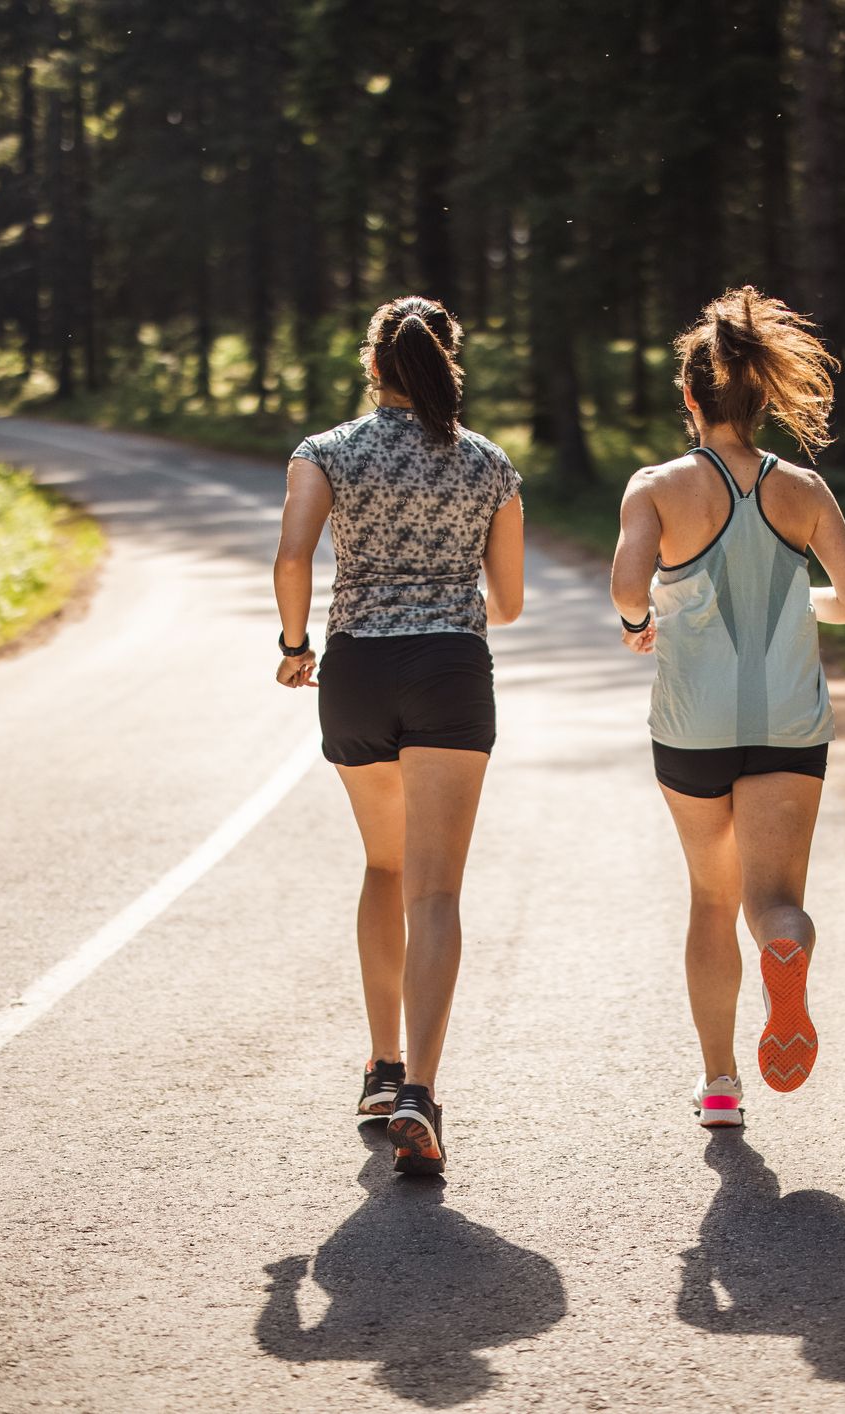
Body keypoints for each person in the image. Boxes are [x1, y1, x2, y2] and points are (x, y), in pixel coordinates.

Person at [609, 287, 845, 1129]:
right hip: (788, 726)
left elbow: (625, 583)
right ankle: (786, 947)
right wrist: (800, 603)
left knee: (709, 898)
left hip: (693, 728)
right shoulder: (803, 488)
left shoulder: (656, 487)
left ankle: (721, 1086)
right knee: (771, 900)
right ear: (761, 396)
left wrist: (640, 620)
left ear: (690, 397)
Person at [273, 295, 524, 1175]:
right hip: (451, 672)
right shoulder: (489, 464)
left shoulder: (328, 452)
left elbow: (294, 557)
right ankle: (421, 1088)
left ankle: (381, 1070)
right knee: (436, 892)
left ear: (372, 365)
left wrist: (297, 644)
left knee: (383, 866)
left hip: (356, 674)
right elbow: (511, 601)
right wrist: (449, 609)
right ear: (447, 364)